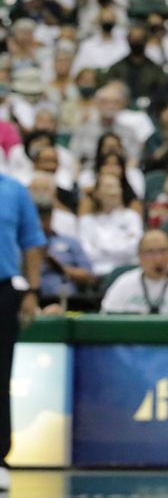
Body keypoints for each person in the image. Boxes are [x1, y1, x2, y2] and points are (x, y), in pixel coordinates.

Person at [0, 173, 44, 488]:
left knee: (1, 374)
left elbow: (32, 241)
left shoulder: (14, 190)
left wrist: (32, 290)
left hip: (3, 289)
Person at [100, 229, 168, 316]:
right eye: (150, 252)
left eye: (163, 251)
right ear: (139, 256)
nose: (158, 258)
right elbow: (106, 315)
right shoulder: (124, 283)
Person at [77, 174, 143, 277]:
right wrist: (119, 246)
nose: (112, 192)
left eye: (116, 187)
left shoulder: (132, 217)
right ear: (97, 193)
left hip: (128, 271)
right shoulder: (86, 221)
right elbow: (87, 253)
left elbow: (134, 249)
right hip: (98, 273)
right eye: (108, 187)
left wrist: (102, 246)